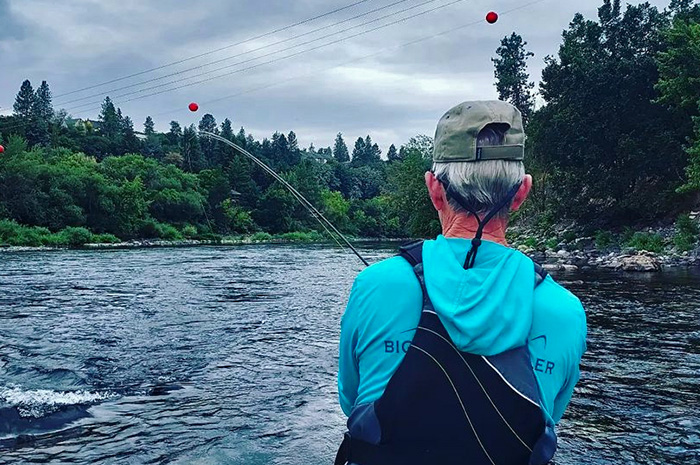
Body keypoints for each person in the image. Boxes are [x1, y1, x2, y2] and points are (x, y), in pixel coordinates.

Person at [335, 101, 587, 465]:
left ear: (434, 190)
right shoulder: (565, 312)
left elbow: (351, 398)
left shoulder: (375, 285)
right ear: (521, 193)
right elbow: (548, 418)